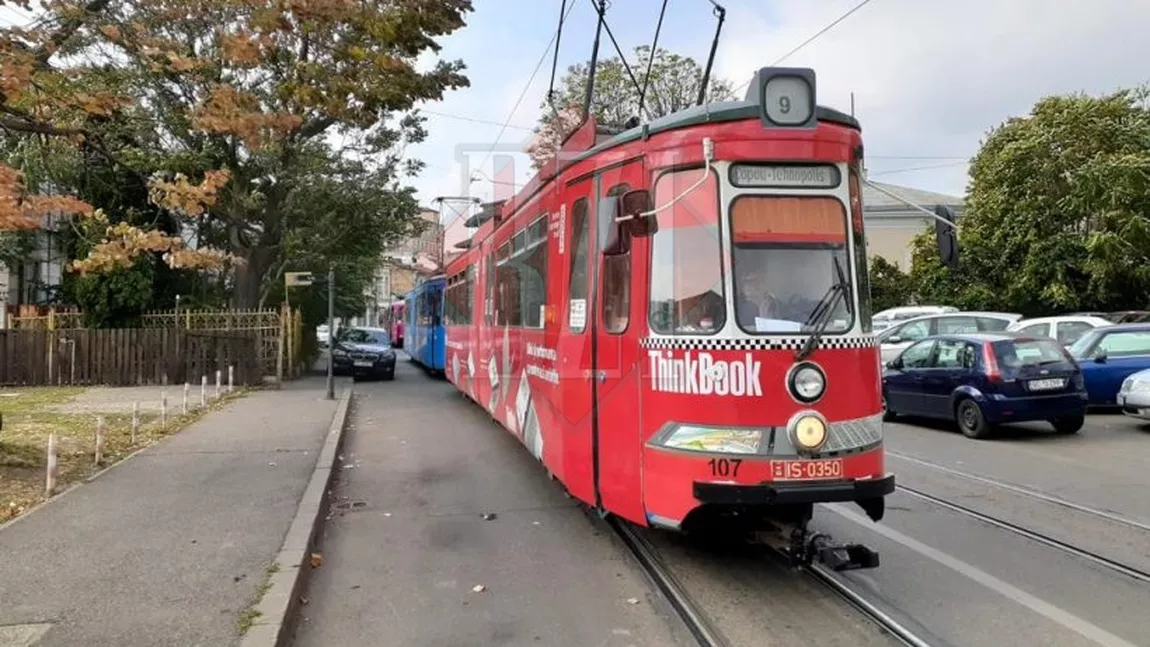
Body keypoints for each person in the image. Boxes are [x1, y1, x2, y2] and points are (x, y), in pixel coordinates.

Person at [734, 260, 781, 330]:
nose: (748, 285)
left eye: (754, 281)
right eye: (746, 281)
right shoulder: (735, 307)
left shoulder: (776, 304)